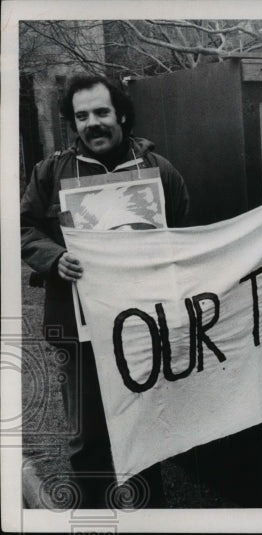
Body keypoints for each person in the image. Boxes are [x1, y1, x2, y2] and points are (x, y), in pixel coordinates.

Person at [21, 74, 189, 507]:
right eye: (81, 116)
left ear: (122, 115)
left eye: (100, 112)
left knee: (146, 429)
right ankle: (94, 516)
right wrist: (53, 257)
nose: (92, 123)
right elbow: (22, 227)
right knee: (89, 436)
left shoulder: (159, 171)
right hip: (77, 329)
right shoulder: (51, 172)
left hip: (142, 326)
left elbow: (186, 234)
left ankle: (151, 517)